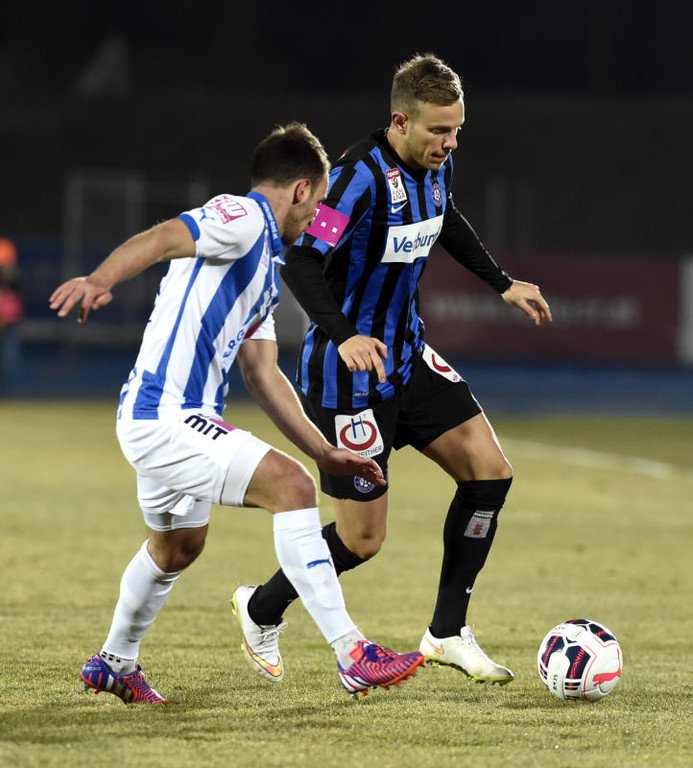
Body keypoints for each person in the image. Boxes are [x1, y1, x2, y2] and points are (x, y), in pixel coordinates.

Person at [49, 122, 424, 704]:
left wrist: (324, 451)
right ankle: (353, 654)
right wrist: (101, 279)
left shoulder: (265, 270)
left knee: (178, 547)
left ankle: (114, 661)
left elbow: (263, 374)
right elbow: (167, 237)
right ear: (300, 189)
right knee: (293, 488)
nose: (318, 216)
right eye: (318, 202)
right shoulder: (244, 217)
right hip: (165, 415)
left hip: (166, 419)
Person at [233, 55, 552, 686]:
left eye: (456, 130)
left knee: (490, 473)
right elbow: (301, 261)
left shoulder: (437, 164)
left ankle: (447, 632)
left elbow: (446, 219)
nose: (450, 143)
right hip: (347, 378)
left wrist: (502, 283)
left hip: (406, 357)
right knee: (361, 541)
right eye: (439, 130)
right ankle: (260, 607)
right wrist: (346, 334)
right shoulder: (356, 178)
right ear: (401, 122)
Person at [0, 237, 24, 396]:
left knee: (9, 358)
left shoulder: (5, 246)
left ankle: (8, 394)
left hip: (9, 319)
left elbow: (13, 279)